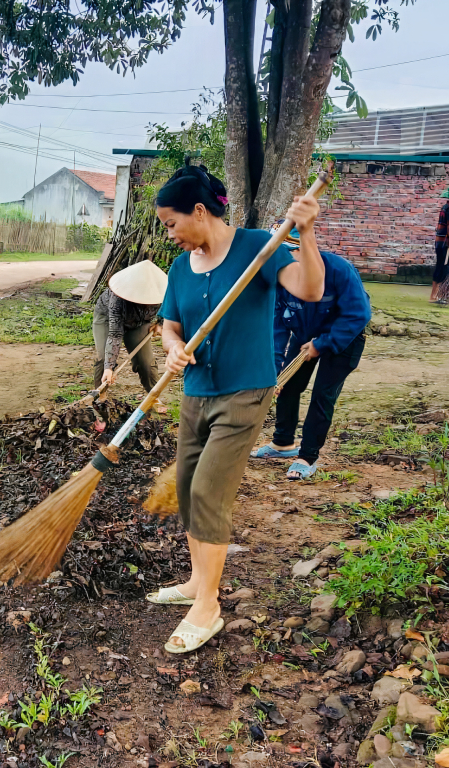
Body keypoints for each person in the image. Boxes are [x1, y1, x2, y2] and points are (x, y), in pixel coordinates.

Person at [150, 165, 324, 654]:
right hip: (196, 391)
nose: (170, 234)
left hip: (245, 391)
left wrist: (306, 233)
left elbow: (309, 289)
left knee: (209, 490)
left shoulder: (257, 248)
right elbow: (169, 324)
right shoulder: (182, 268)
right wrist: (173, 347)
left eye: (171, 223)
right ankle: (193, 581)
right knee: (187, 488)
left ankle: (208, 606)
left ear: (199, 212)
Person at [250, 224, 372, 480]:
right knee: (288, 384)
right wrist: (273, 373)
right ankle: (283, 443)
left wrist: (322, 344)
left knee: (322, 395)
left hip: (343, 339)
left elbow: (358, 314)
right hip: (304, 336)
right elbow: (277, 328)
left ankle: (307, 457)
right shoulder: (277, 279)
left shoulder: (338, 270)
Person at [92, 260, 167, 393]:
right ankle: (100, 395)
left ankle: (153, 396)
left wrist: (160, 323)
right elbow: (115, 334)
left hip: (140, 322)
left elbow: (171, 308)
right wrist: (109, 367)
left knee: (146, 363)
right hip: (107, 319)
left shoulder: (164, 291)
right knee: (104, 358)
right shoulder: (117, 299)